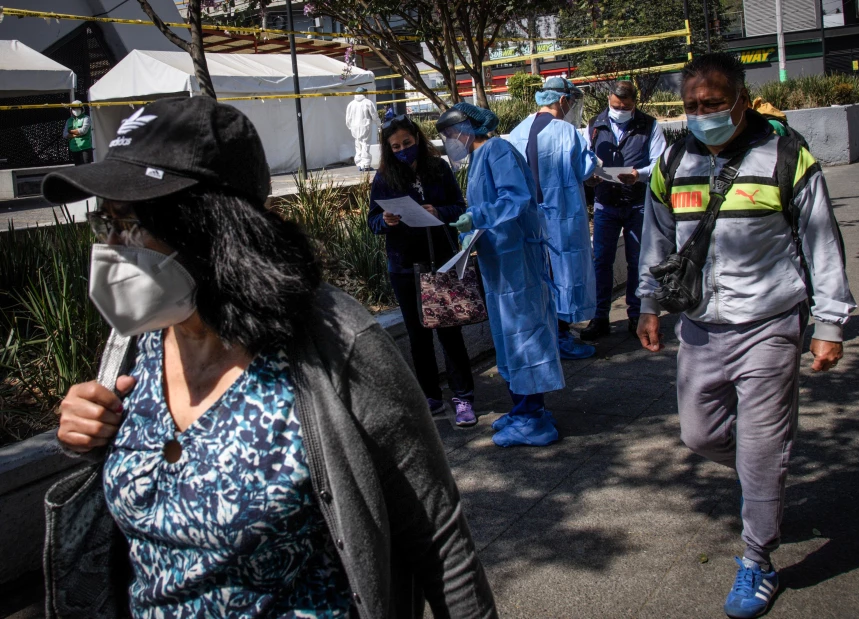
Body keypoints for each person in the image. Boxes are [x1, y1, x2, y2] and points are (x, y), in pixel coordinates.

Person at [42, 96, 497, 619]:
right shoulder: (132, 345)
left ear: (213, 225)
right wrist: (88, 435)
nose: (113, 248)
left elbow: (439, 539)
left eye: (131, 223)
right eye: (107, 223)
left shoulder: (333, 343)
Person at [636, 53, 855, 619]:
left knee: (758, 448)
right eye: (691, 106)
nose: (701, 114)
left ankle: (757, 557)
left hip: (771, 323)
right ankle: (768, 472)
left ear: (740, 101)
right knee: (699, 435)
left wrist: (829, 324)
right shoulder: (673, 160)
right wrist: (648, 304)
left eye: (712, 104)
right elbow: (656, 240)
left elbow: (821, 241)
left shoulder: (786, 156)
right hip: (701, 327)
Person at [436, 102, 564, 448]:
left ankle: (533, 418)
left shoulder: (497, 149)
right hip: (500, 264)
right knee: (510, 338)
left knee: (524, 336)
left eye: (451, 134)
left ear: (468, 128)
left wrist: (477, 217)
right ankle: (523, 409)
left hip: (517, 262)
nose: (450, 141)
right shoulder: (479, 158)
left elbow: (516, 198)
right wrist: (472, 231)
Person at [368, 114, 477, 427]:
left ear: (418, 139)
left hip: (440, 260)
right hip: (404, 266)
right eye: (397, 146)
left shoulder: (438, 167)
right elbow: (373, 221)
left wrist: (438, 211)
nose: (404, 149)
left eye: (408, 142)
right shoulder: (385, 176)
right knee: (418, 336)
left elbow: (459, 206)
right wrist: (385, 221)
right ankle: (430, 396)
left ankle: (463, 397)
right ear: (389, 149)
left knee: (449, 331)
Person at [509, 77, 598, 360]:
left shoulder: (517, 132)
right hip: (562, 219)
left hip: (530, 221)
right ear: (562, 100)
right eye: (570, 101)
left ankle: (547, 339)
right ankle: (562, 337)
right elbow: (585, 169)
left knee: (540, 278)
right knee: (565, 276)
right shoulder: (566, 131)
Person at [580, 81, 666, 341]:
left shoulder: (650, 125)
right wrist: (589, 177)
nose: (620, 110)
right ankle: (600, 317)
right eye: (616, 106)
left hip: (637, 204)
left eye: (625, 107)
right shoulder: (595, 125)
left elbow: (660, 164)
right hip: (605, 205)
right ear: (609, 99)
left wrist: (638, 175)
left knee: (637, 262)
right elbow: (585, 160)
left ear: (634, 104)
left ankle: (636, 315)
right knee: (601, 262)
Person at [345, 87, 380, 171]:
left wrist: (351, 127)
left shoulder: (351, 104)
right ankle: (366, 165)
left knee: (358, 145)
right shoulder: (368, 102)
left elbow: (348, 119)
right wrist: (379, 125)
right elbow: (374, 116)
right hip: (365, 126)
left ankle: (359, 164)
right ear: (364, 93)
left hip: (354, 128)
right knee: (365, 145)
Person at [63, 100, 93, 166]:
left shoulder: (86, 118)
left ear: (82, 109)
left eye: (78, 108)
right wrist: (75, 134)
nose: (76, 110)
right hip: (74, 148)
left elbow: (83, 131)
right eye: (74, 108)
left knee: (86, 167)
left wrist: (70, 131)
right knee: (77, 168)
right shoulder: (69, 120)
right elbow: (64, 134)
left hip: (85, 147)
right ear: (71, 110)